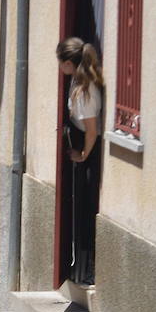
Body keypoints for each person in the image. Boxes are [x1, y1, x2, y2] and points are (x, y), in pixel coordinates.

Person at [58, 36, 104, 287]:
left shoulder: (85, 91)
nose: (59, 68)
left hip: (89, 151)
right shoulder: (77, 80)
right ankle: (82, 269)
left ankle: (88, 271)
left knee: (86, 212)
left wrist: (83, 155)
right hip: (83, 147)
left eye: (60, 62)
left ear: (68, 63)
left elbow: (92, 131)